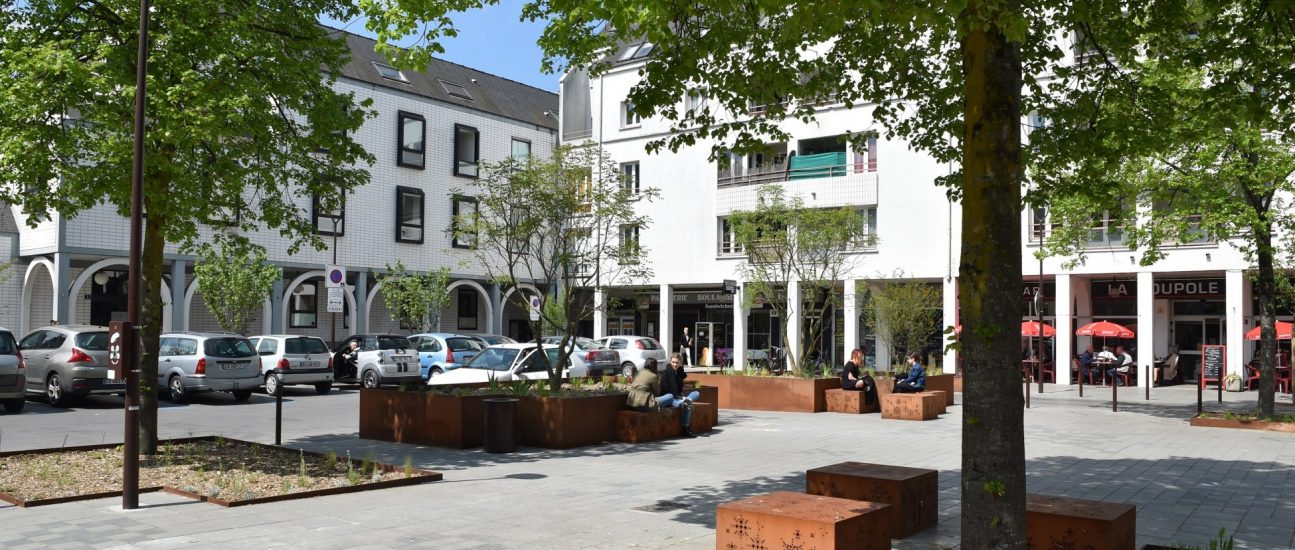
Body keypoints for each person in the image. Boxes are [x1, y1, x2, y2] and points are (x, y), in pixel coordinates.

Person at [659, 354, 701, 437]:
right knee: (686, 406)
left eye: (677, 363)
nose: (674, 364)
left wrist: (683, 396)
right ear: (670, 362)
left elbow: (679, 389)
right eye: (673, 362)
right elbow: (668, 391)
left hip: (678, 397)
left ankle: (688, 400)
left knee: (696, 393)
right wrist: (680, 397)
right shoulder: (667, 372)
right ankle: (686, 428)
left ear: (680, 363)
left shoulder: (679, 372)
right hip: (670, 398)